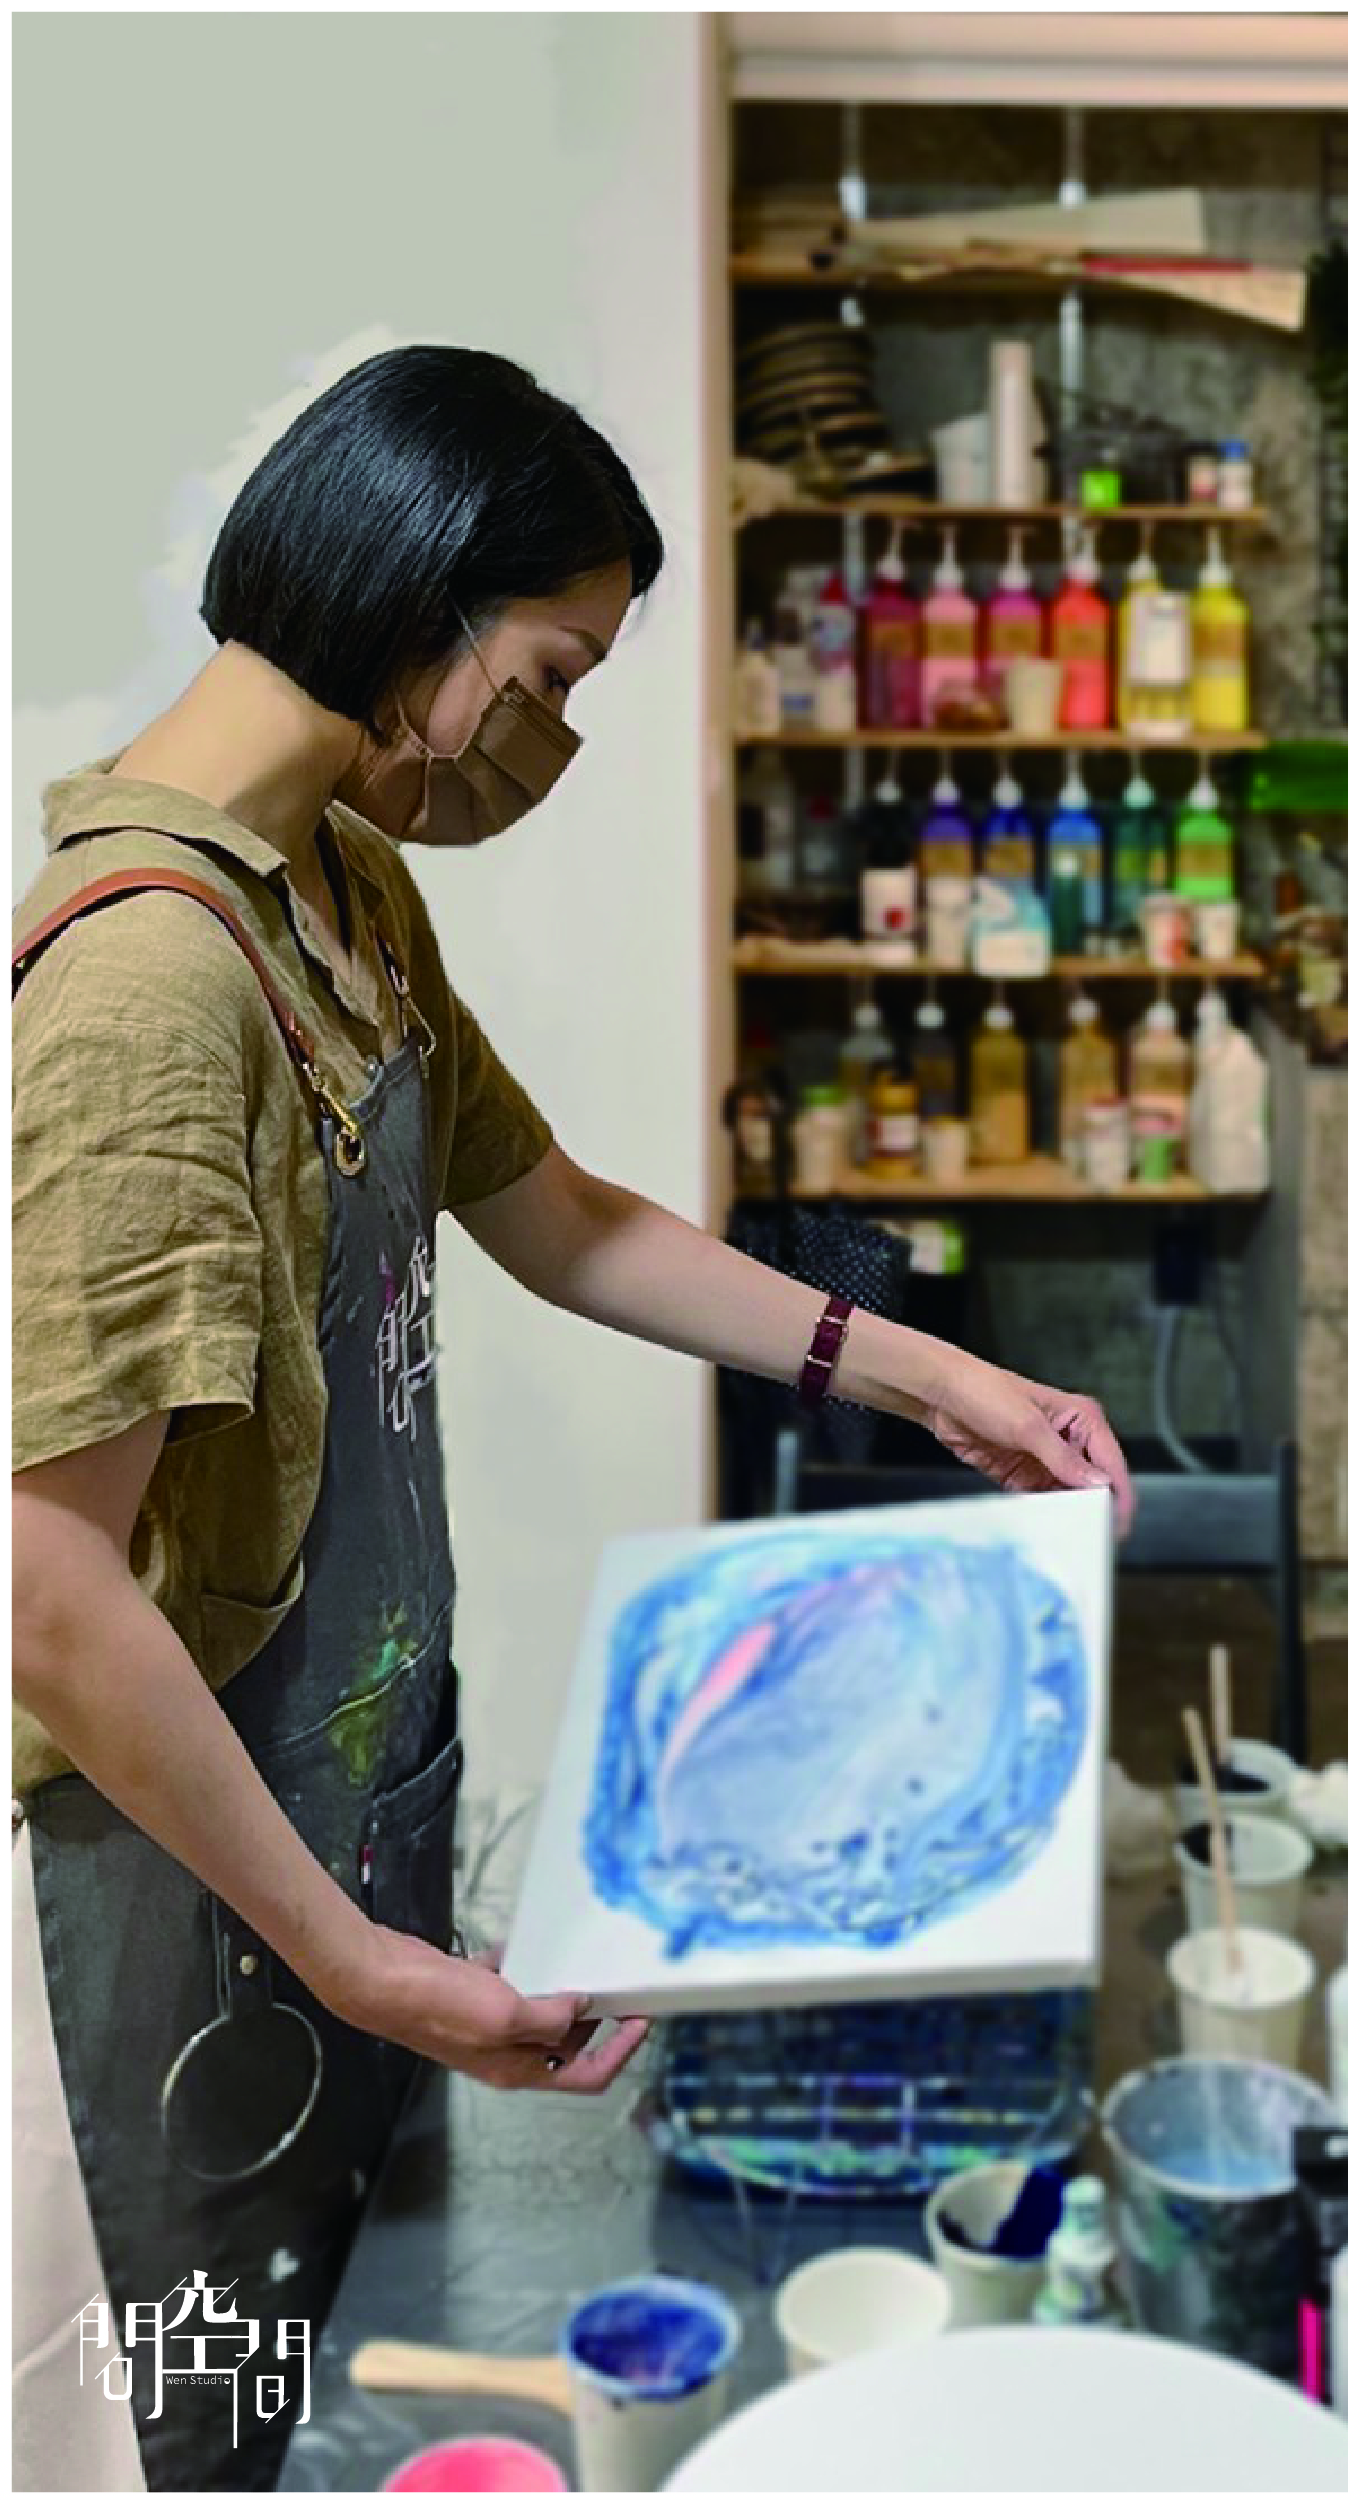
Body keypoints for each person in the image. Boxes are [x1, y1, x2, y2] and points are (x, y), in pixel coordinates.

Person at [10, 345, 1135, 2491]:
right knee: (191, 2424)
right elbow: (47, 1585)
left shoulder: (337, 887)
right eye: (547, 673)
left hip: (336, 1804)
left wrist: (942, 1380)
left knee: (328, 2377)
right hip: (180, 1894)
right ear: (412, 600)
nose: (553, 737)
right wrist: (359, 1963)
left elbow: (565, 1220)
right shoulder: (147, 985)